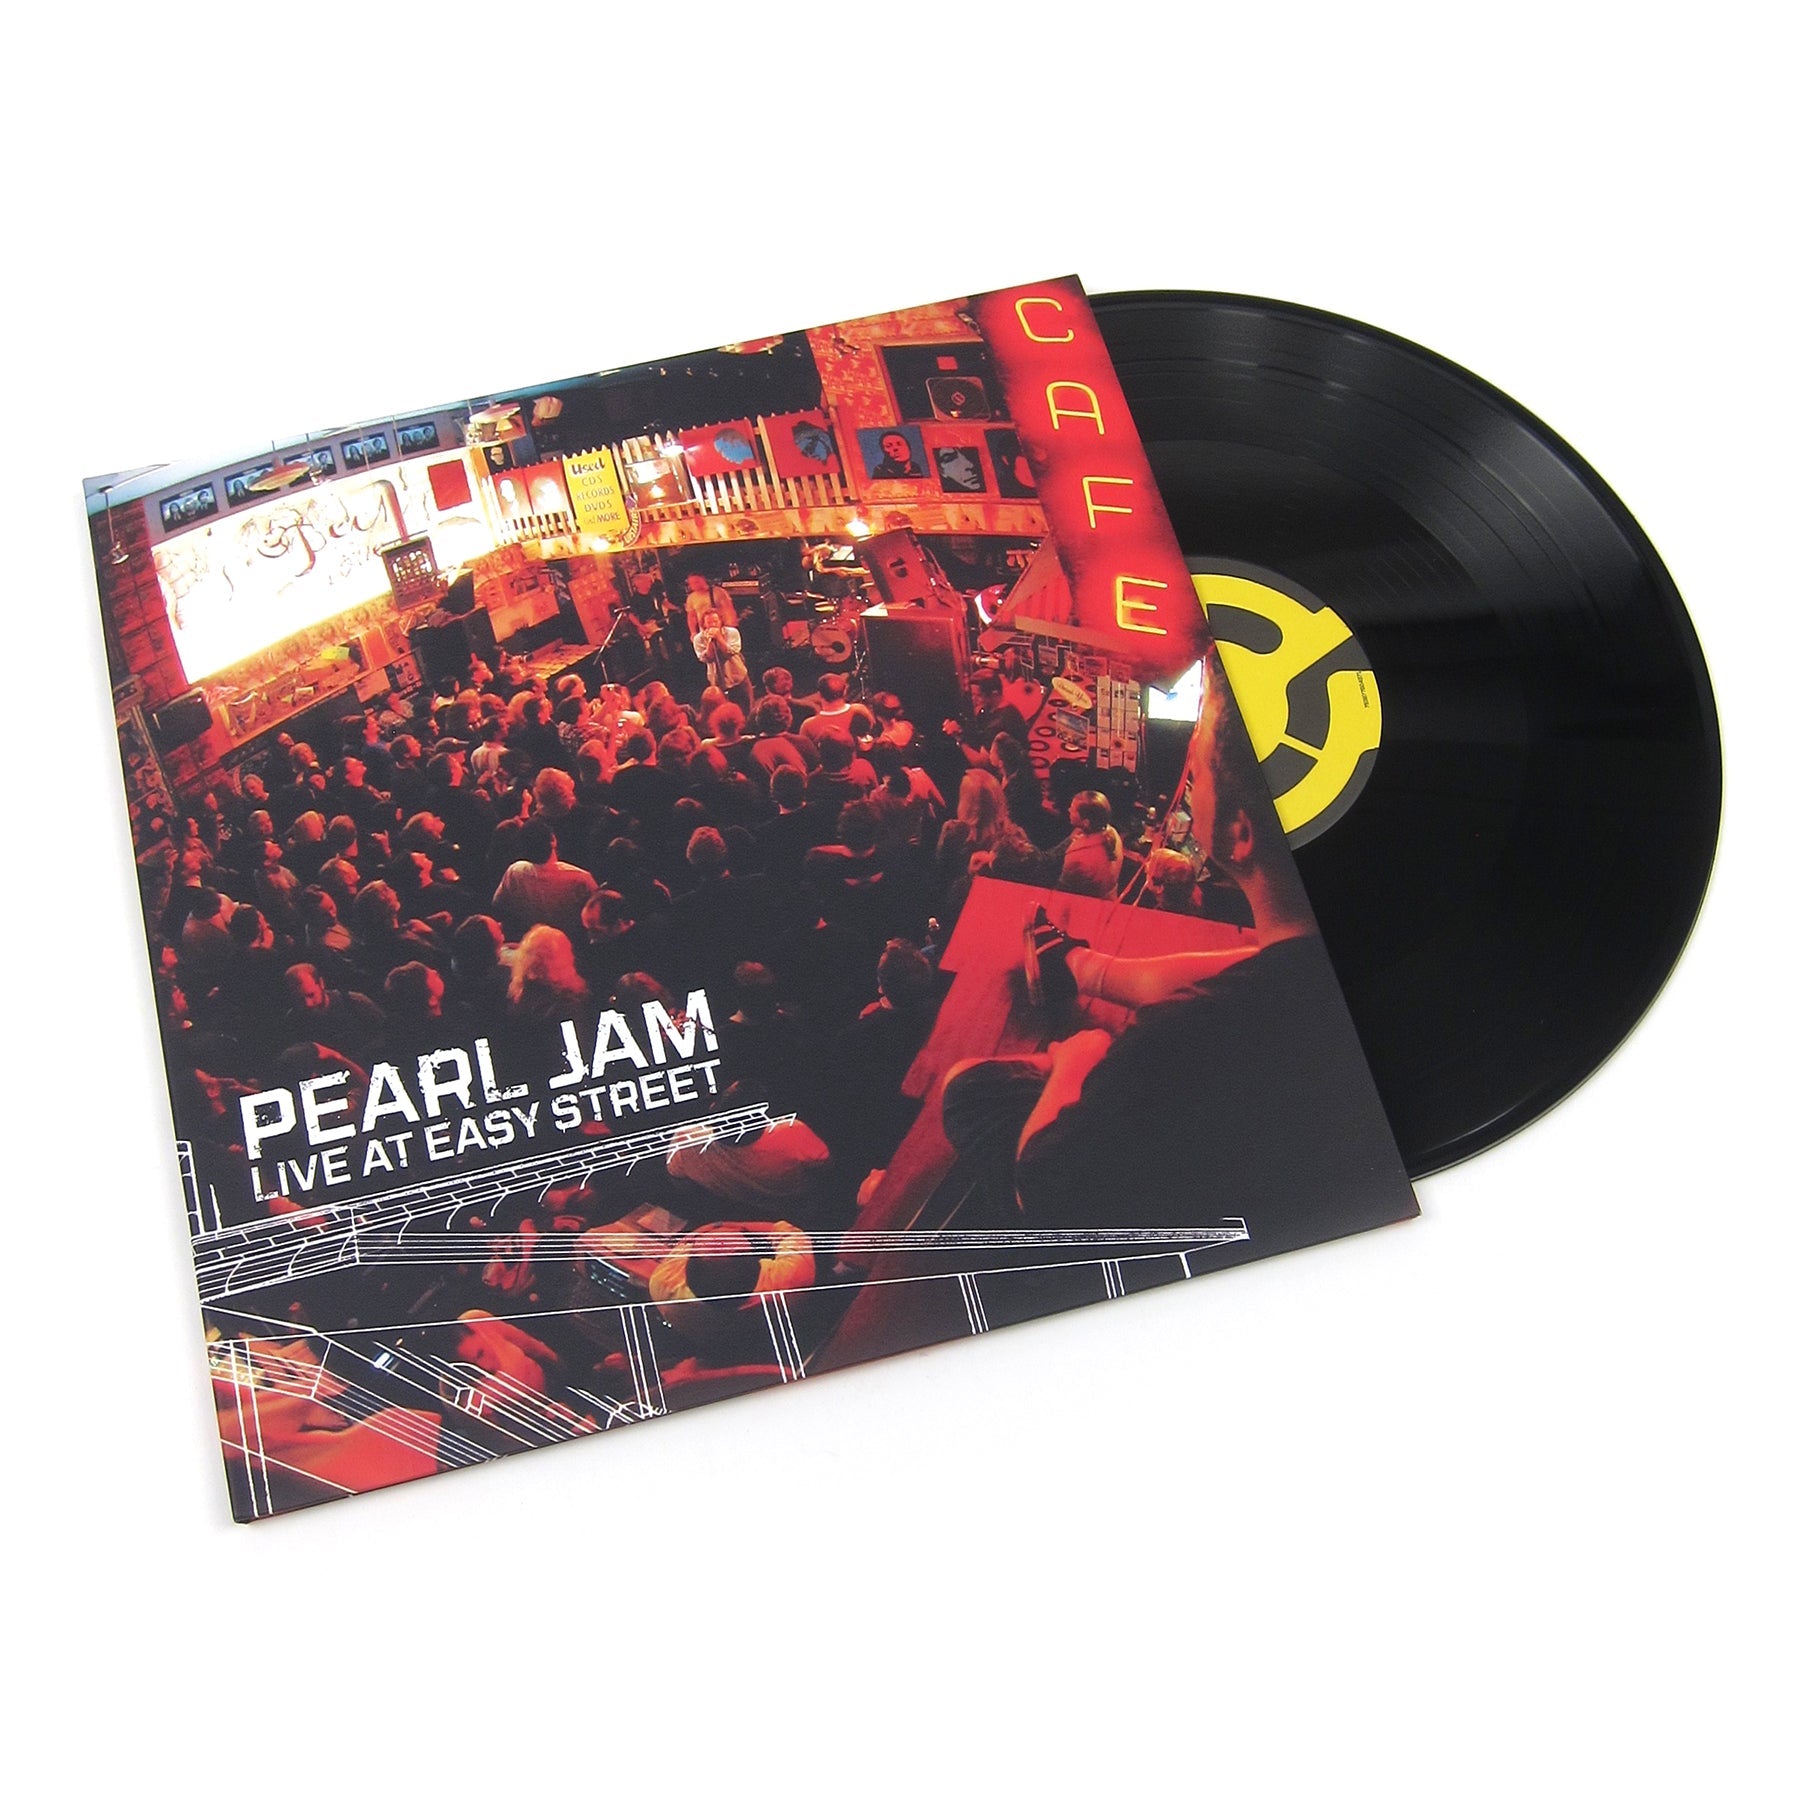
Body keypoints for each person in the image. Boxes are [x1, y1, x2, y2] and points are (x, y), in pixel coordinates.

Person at [936, 661, 1413, 1251]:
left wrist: (1078, 1055)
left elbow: (1041, 1184)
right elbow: (1261, 965)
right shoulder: (1308, 955)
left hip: (1149, 1220)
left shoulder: (1177, 1036)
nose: (1188, 776)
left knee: (964, 1089)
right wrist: (1087, 967)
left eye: (1199, 766)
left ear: (1240, 833)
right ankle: (1077, 966)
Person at [691, 608, 752, 714]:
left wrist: (719, 638)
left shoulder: (732, 632)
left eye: (715, 621)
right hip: (717, 681)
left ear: (721, 621)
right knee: (724, 713)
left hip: (738, 676)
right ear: (704, 624)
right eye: (709, 622)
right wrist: (710, 641)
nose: (713, 625)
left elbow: (731, 652)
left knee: (747, 710)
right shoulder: (698, 639)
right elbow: (707, 658)